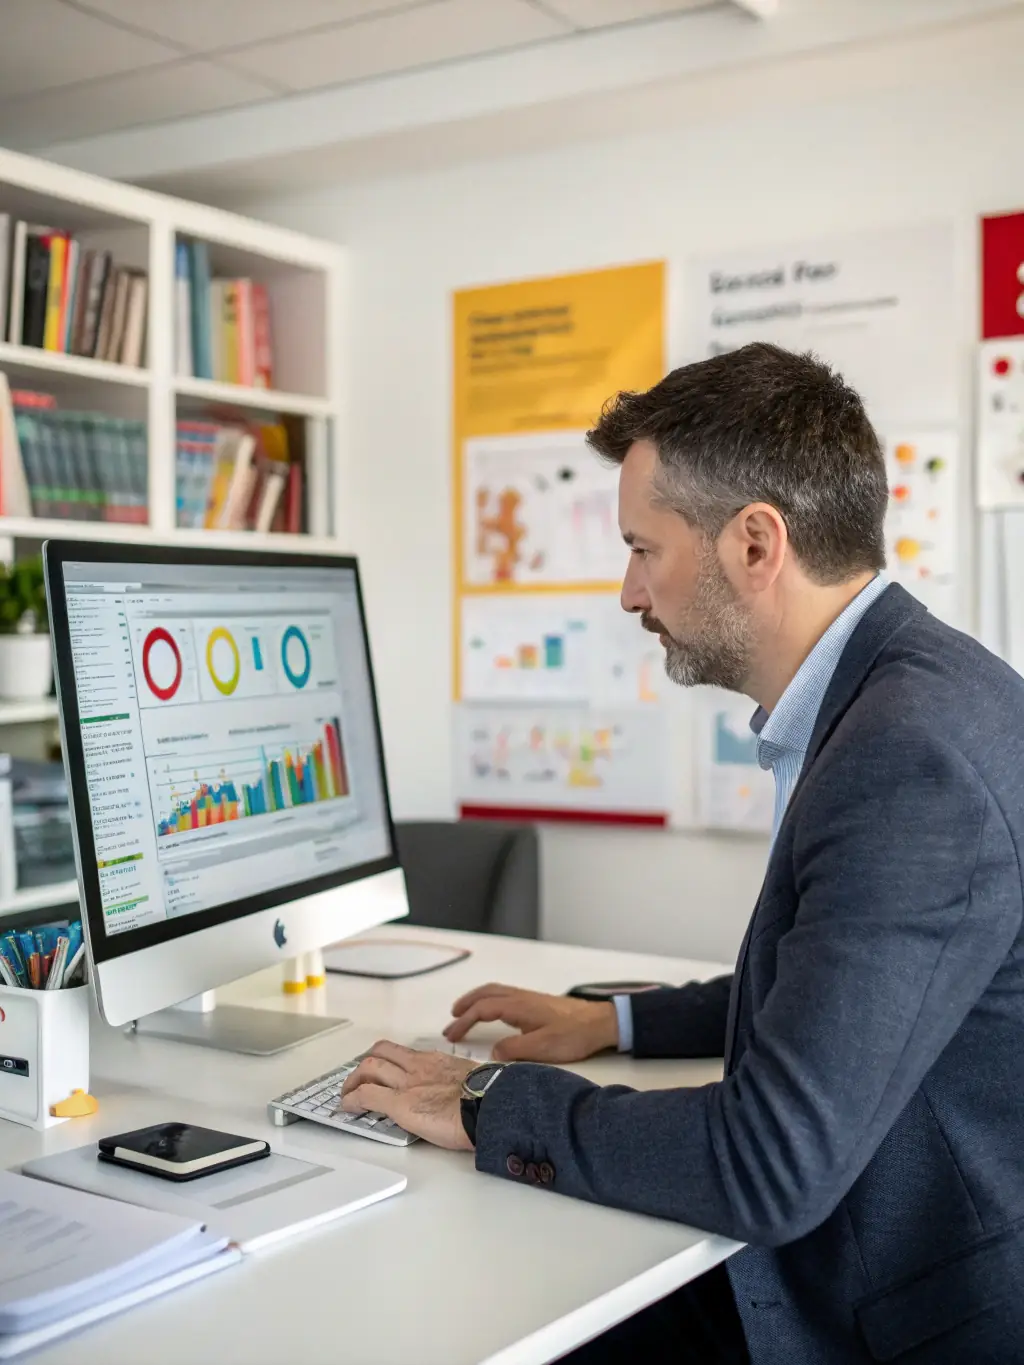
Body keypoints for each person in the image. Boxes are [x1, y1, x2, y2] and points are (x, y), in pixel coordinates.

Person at [341, 342, 1024, 1364]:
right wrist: (614, 1021)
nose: (627, 593)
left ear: (755, 544)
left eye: (642, 549)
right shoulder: (917, 688)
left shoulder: (906, 759)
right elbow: (839, 986)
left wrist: (483, 1102)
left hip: (900, 1309)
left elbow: (769, 1161)